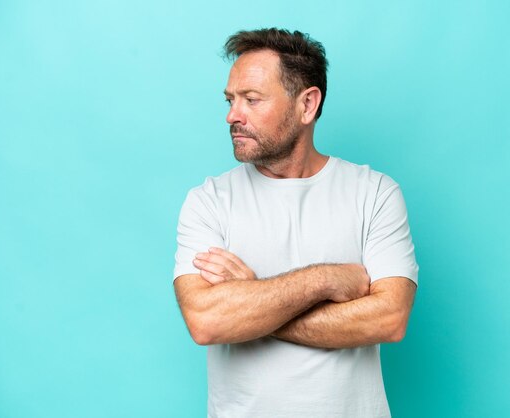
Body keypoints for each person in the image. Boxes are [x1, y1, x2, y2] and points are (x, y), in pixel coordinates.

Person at [172, 28, 419, 418]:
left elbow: (389, 319)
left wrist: (251, 300)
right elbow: (206, 320)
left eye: (251, 100)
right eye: (231, 100)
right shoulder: (209, 201)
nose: (232, 115)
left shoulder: (375, 193)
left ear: (307, 105)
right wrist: (322, 279)